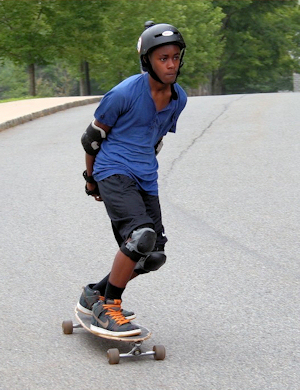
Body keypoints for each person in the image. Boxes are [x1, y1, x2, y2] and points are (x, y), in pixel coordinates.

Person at [77, 23, 187, 337]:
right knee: (141, 236)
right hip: (112, 170)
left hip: (145, 178)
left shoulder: (178, 99)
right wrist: (91, 179)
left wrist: (144, 174)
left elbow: (155, 138)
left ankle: (94, 294)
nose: (170, 64)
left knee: (152, 256)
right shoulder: (124, 93)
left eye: (175, 57)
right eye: (163, 58)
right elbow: (91, 139)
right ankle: (108, 306)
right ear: (148, 61)